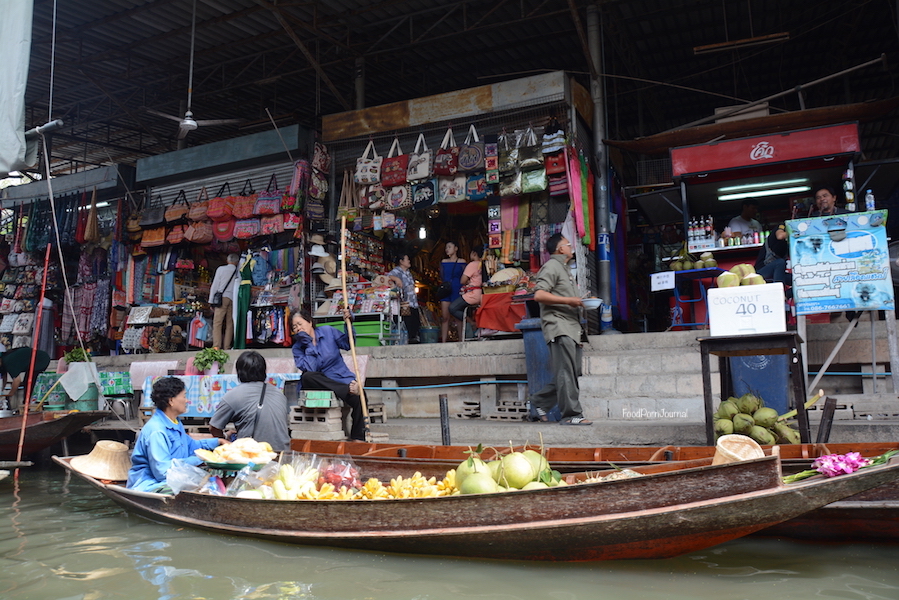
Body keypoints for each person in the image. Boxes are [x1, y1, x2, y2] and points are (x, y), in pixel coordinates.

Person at [528, 234, 592, 426]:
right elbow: (539, 294)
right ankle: (571, 415)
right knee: (566, 372)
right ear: (560, 249)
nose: (571, 247)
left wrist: (580, 300)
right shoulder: (551, 266)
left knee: (572, 371)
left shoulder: (564, 268)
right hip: (559, 326)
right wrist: (570, 301)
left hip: (572, 327)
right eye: (568, 244)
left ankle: (539, 401)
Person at [127, 377, 227, 492]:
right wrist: (200, 459)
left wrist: (218, 442)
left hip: (172, 478)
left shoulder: (175, 422)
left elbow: (191, 446)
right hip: (149, 484)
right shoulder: (157, 431)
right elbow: (163, 472)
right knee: (205, 487)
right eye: (184, 396)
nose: (187, 401)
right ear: (171, 401)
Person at [291, 308, 366, 441]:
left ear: (309, 322)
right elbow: (311, 368)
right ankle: (346, 390)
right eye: (294, 327)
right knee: (307, 376)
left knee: (360, 396)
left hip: (339, 377)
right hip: (319, 383)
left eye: (300, 324)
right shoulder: (297, 348)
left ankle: (358, 437)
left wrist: (348, 323)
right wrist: (308, 344)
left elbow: (348, 344)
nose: (298, 328)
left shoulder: (328, 331)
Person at [209, 351, 290, 452]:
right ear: (263, 371)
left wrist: (225, 438)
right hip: (283, 454)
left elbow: (214, 428)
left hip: (254, 455)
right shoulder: (279, 394)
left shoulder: (233, 395)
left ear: (239, 372)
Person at [449, 245, 484, 339]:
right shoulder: (483, 264)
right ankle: (471, 326)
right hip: (481, 294)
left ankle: (471, 322)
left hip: (472, 294)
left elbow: (462, 281)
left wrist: (468, 281)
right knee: (464, 308)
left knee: (452, 308)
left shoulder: (472, 264)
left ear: (474, 254)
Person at [388, 253, 421, 344]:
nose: (409, 261)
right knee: (408, 322)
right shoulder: (397, 271)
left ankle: (413, 338)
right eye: (407, 259)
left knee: (415, 322)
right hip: (405, 303)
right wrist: (397, 279)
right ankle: (409, 339)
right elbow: (387, 277)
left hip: (413, 302)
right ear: (401, 261)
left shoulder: (408, 273)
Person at [208, 253, 239, 349]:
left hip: (222, 298)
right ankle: (227, 346)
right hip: (233, 298)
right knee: (230, 323)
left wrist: (211, 300)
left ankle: (216, 346)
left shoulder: (221, 269)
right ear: (237, 262)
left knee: (217, 323)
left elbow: (215, 285)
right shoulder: (238, 271)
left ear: (227, 260)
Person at [439, 241, 467, 343]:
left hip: (457, 289)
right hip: (446, 290)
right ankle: (444, 341)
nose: (447, 249)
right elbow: (441, 276)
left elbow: (465, 276)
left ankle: (461, 340)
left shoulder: (462, 261)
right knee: (445, 317)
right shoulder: (444, 261)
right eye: (446, 247)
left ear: (456, 248)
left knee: (458, 317)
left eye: (449, 247)